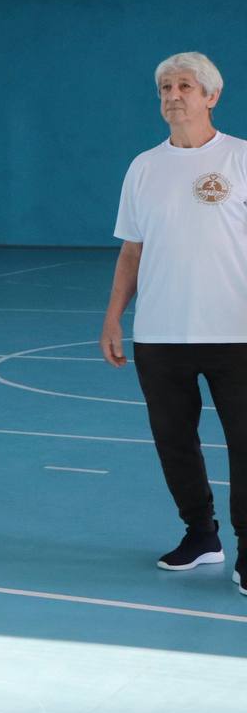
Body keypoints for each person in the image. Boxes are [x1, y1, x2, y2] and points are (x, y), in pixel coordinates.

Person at [101, 51, 247, 595]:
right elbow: (131, 252)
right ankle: (201, 535)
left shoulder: (240, 158)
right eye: (166, 87)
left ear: (212, 96)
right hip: (160, 335)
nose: (173, 95)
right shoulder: (143, 167)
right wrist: (114, 318)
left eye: (185, 86)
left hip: (236, 334)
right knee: (174, 442)